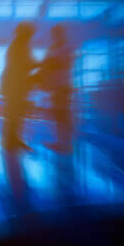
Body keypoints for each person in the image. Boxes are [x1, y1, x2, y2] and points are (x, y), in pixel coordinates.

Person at [0, 22, 37, 151]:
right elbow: (23, 66)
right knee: (14, 114)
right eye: (29, 33)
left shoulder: (19, 45)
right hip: (14, 87)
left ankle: (12, 140)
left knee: (15, 114)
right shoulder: (18, 46)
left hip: (15, 86)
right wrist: (42, 65)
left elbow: (26, 64)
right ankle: (10, 141)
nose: (30, 36)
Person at [39, 24, 75, 153]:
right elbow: (48, 64)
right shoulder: (55, 48)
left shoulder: (65, 48)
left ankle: (65, 144)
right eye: (53, 34)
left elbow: (62, 63)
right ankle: (61, 142)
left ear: (60, 34)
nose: (53, 36)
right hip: (57, 87)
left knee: (63, 115)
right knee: (59, 115)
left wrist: (50, 63)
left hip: (63, 86)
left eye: (55, 34)